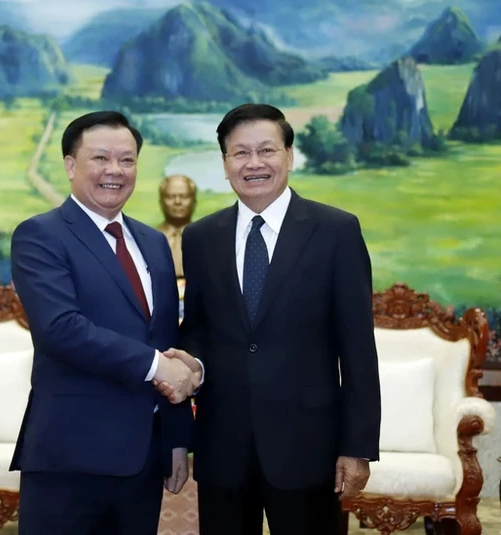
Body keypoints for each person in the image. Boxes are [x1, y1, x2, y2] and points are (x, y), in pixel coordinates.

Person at [156, 103, 382, 534]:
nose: (254, 163)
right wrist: (192, 365)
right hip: (224, 447)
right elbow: (199, 330)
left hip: (309, 449)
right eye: (239, 153)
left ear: (289, 156)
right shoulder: (202, 237)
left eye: (266, 150)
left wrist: (357, 448)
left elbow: (357, 351)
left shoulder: (336, 231)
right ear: (224, 164)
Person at [9, 110, 201, 535]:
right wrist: (157, 366)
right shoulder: (40, 235)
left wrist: (174, 437)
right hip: (69, 456)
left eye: (127, 160)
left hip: (143, 460)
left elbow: (164, 337)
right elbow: (61, 328)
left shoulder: (152, 242)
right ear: (71, 165)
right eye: (100, 158)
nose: (115, 170)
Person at [157, 174, 198, 278]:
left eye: (184, 197)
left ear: (194, 201)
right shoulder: (149, 240)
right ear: (161, 202)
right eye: (170, 197)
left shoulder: (205, 240)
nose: (177, 202)